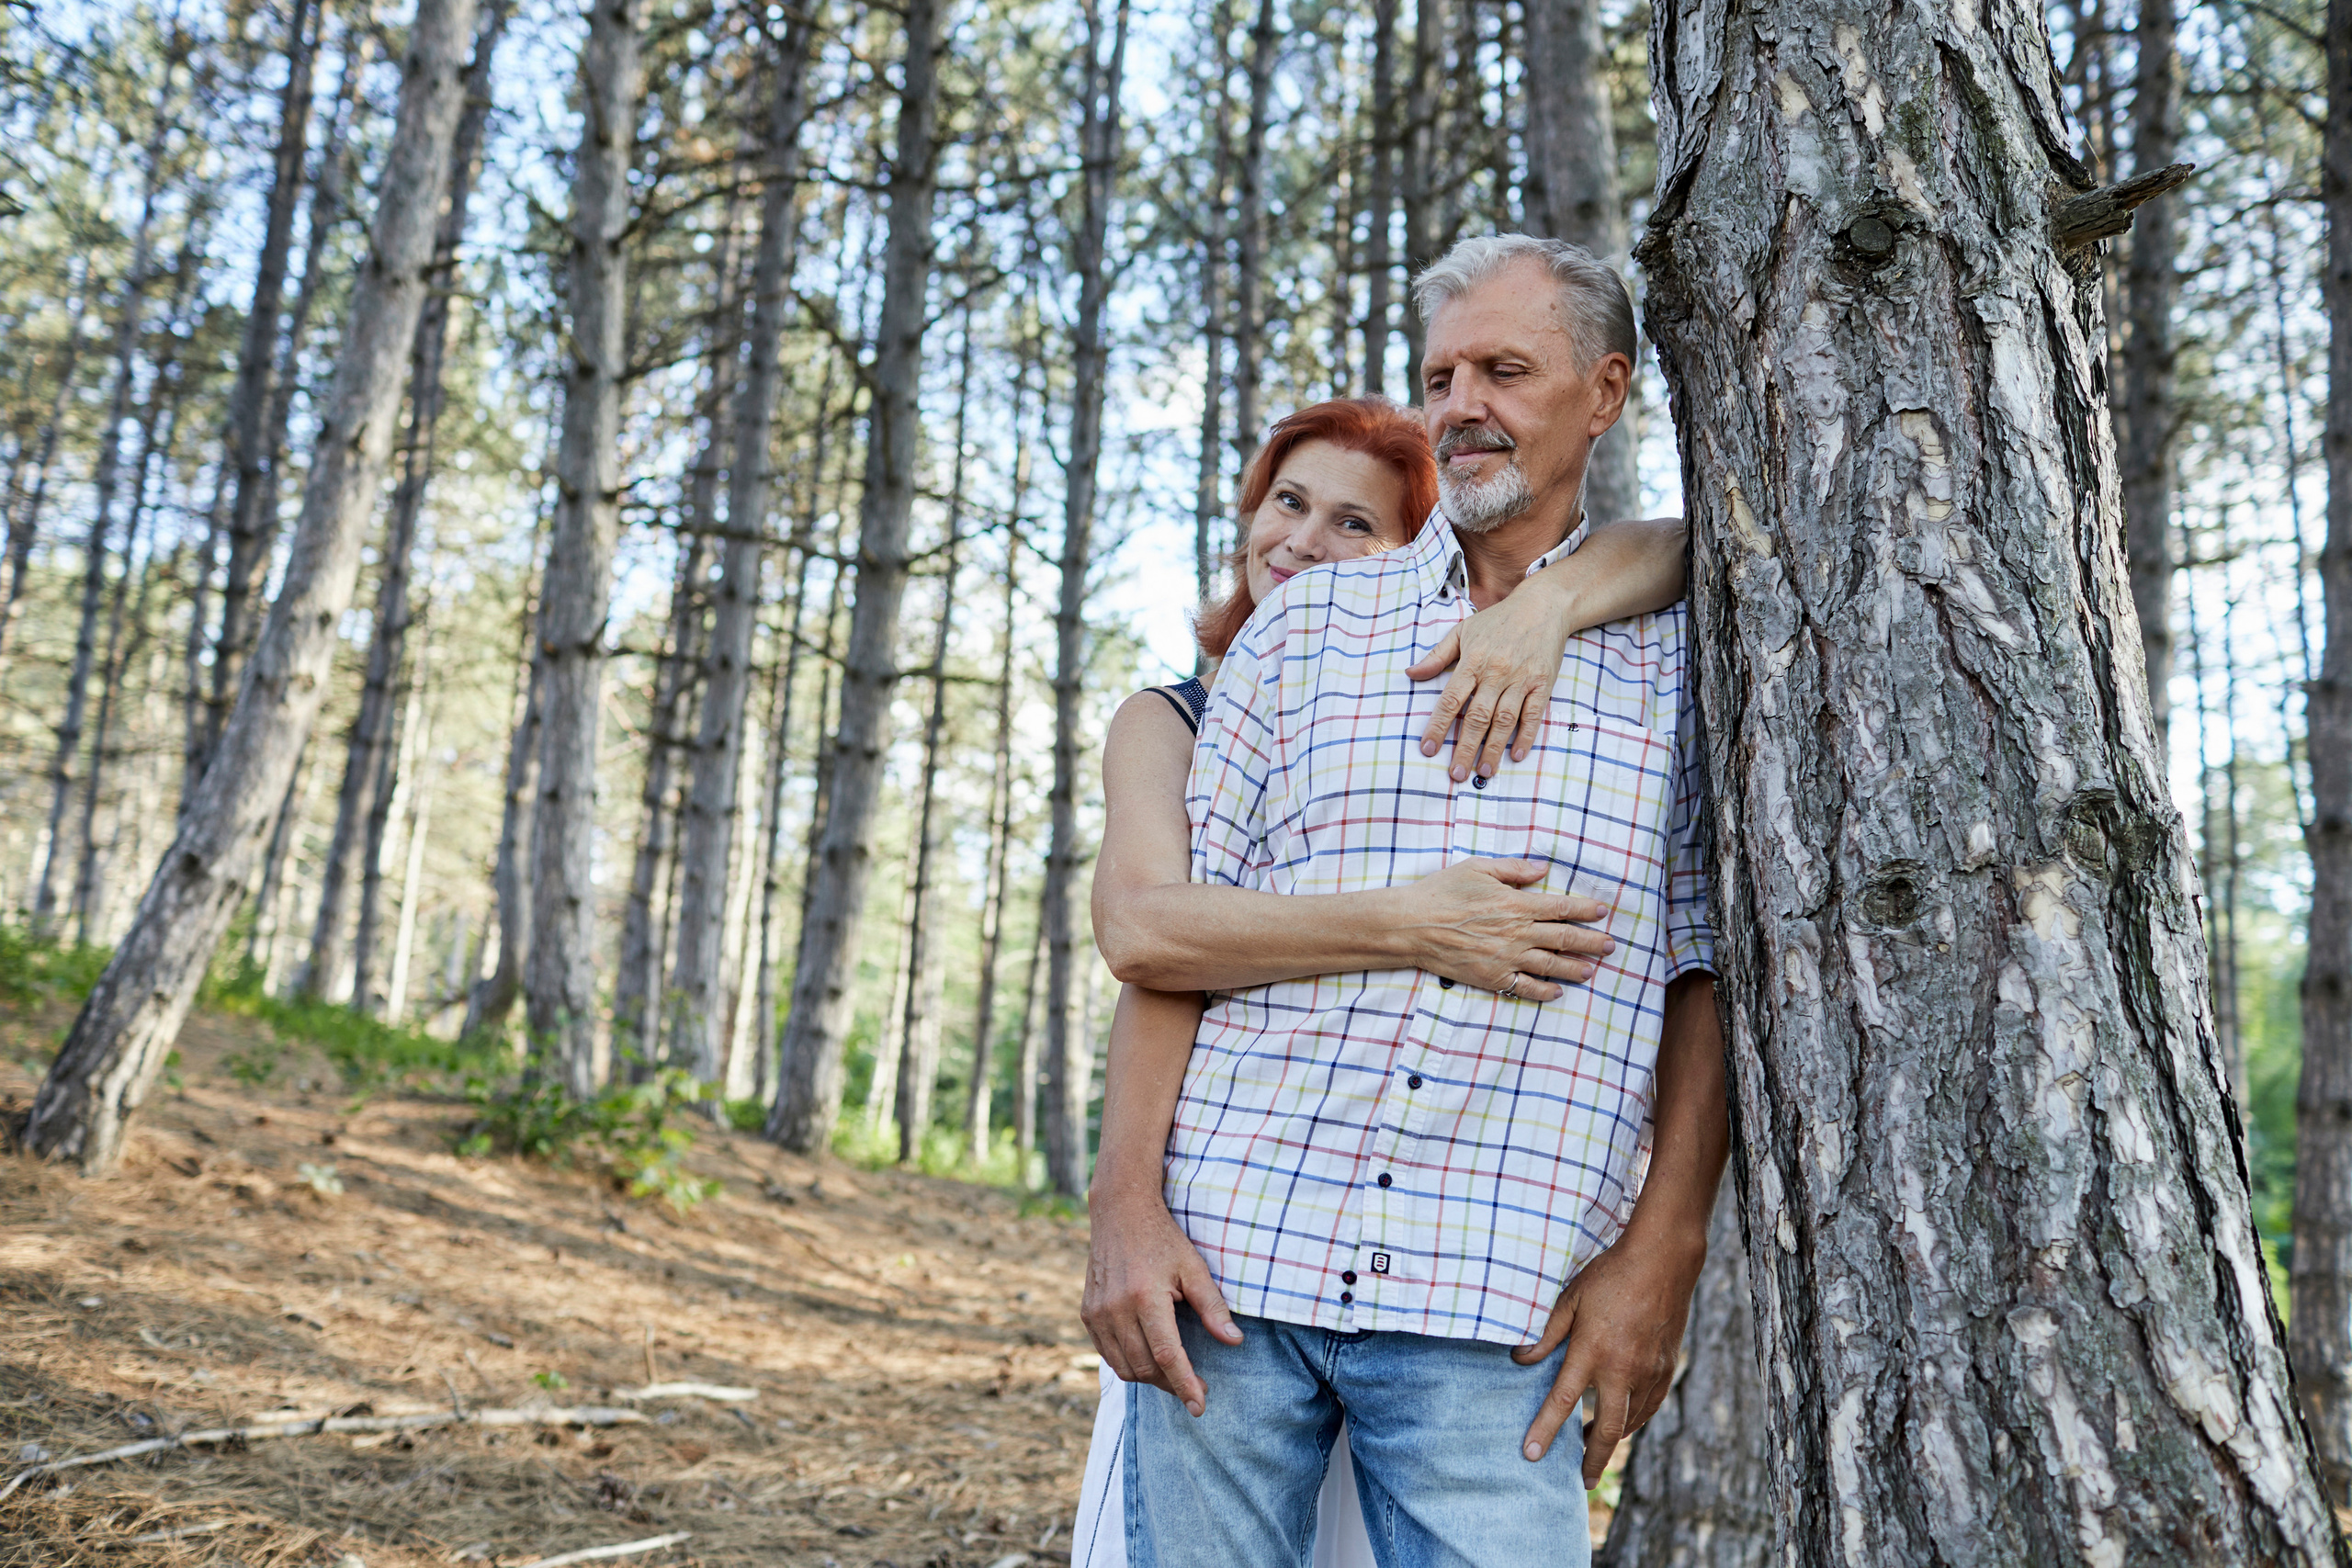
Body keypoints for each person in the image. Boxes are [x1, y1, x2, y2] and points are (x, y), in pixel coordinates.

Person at [1072, 377, 1698, 1562]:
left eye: (1351, 523)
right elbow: (1153, 946)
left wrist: (1551, 600)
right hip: (1245, 1227)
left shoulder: (1470, 666)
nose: (1302, 542)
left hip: (1457, 1263)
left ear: (1409, 550)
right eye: (1286, 503)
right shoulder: (1180, 717)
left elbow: (1680, 544)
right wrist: (1416, 924)